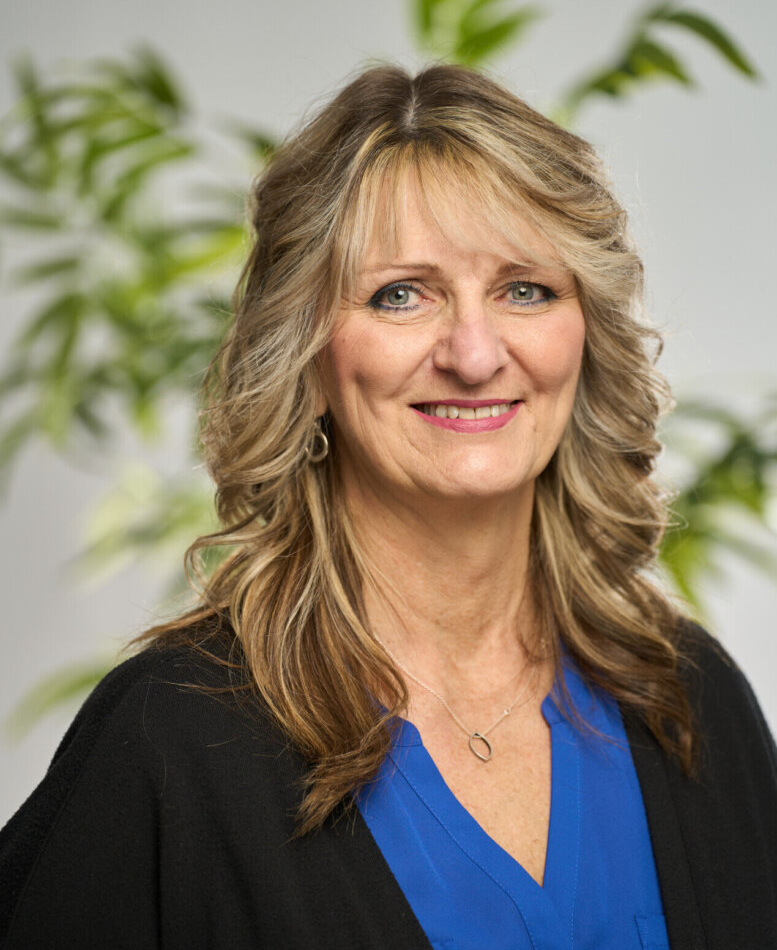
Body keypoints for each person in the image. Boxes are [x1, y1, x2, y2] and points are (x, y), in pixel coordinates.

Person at [1, 64, 775, 950]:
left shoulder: (685, 699)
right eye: (399, 294)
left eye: (526, 288)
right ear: (308, 360)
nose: (475, 354)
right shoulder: (174, 739)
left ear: (584, 335)